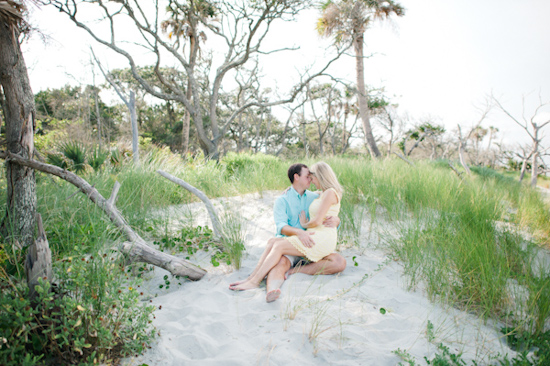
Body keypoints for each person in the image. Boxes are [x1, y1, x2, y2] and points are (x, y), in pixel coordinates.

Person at [229, 162, 346, 301]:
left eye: (312, 176)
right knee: (279, 256)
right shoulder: (283, 200)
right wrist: (299, 232)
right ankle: (270, 288)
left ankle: (256, 278)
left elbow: (328, 209)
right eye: (308, 176)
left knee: (339, 262)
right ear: (296, 177)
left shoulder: (314, 196)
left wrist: (337, 220)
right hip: (295, 242)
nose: (311, 180)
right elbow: (282, 227)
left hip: (312, 240)